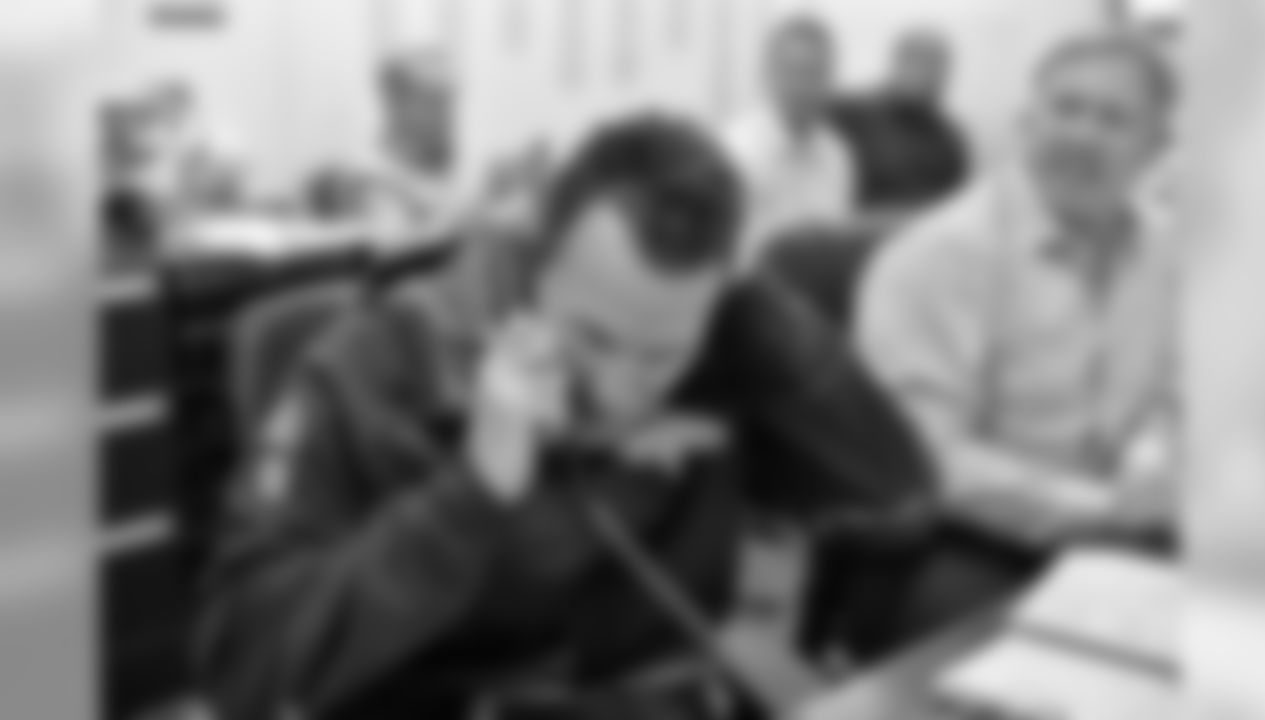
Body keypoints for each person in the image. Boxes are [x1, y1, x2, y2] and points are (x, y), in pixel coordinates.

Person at [197, 114, 935, 720]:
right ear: (536, 261)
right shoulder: (379, 363)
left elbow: (897, 492)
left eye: (661, 356)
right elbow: (246, 667)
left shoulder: (730, 340)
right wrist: (470, 496)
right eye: (592, 339)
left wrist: (755, 308)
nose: (619, 390)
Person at [856, 32, 1179, 640]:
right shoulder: (939, 256)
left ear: (1156, 147)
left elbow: (1183, 399)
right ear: (1027, 121)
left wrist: (1153, 466)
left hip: (1132, 524)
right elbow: (926, 455)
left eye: (1113, 119)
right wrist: (1105, 511)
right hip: (978, 536)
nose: (1081, 135)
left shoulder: (1174, 253)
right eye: (1066, 108)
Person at [723, 14, 858, 269]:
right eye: (792, 72)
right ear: (768, 75)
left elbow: (837, 243)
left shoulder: (836, 154)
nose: (803, 86)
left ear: (830, 80)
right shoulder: (736, 153)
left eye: (814, 74)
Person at [827, 27, 969, 240]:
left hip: (927, 243)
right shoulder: (848, 115)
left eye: (937, 66)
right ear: (897, 63)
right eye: (919, 62)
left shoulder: (950, 139)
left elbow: (957, 208)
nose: (928, 75)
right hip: (856, 239)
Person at [362, 48, 474, 250]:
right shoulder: (377, 178)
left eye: (446, 103)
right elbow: (392, 246)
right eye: (432, 102)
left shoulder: (444, 166)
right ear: (399, 106)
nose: (443, 115)